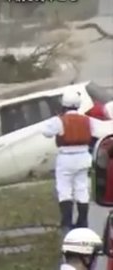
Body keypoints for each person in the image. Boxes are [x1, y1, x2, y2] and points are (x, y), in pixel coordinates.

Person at [43, 88, 113, 235]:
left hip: (66, 157)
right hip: (83, 156)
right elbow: (103, 130)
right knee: (82, 188)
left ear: (63, 104)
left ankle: (67, 222)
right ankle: (83, 221)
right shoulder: (87, 120)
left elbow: (46, 132)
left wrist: (56, 118)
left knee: (64, 189)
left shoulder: (59, 120)